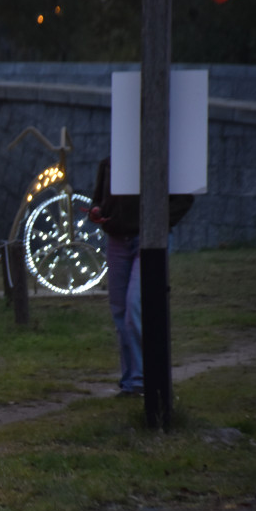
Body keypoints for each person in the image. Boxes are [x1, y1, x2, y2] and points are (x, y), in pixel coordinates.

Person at [89, 157, 193, 398]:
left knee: (135, 309)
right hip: (117, 240)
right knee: (120, 311)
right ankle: (132, 381)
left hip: (148, 239)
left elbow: (184, 199)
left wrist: (158, 221)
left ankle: (143, 379)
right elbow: (99, 199)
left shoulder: (159, 158)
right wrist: (99, 211)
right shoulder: (108, 162)